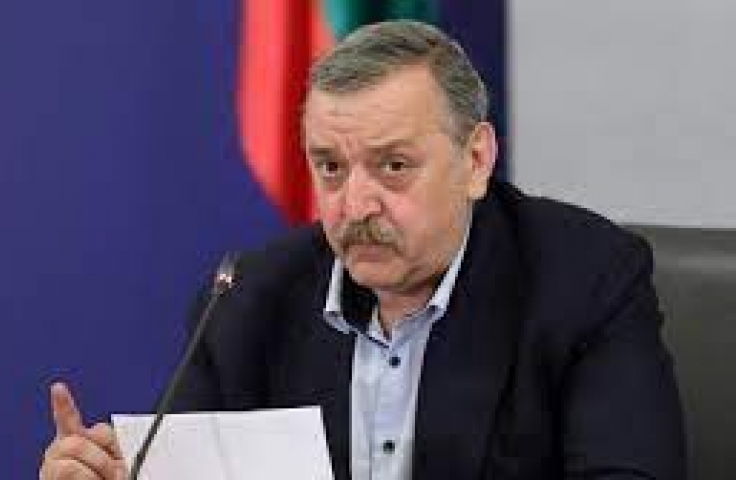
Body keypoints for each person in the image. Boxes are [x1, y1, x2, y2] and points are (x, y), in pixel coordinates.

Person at [39, 20, 685, 480]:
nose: (355, 205)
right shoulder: (249, 297)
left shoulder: (584, 280)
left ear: (475, 160)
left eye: (393, 166)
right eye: (330, 167)